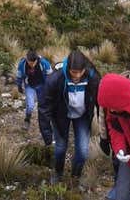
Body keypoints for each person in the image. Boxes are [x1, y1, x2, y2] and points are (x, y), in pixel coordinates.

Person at [43, 50, 101, 183]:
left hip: (82, 116)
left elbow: (100, 102)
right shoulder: (56, 78)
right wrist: (47, 133)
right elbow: (45, 106)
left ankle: (75, 175)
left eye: (80, 72)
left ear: (84, 69)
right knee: (61, 147)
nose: (77, 75)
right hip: (61, 116)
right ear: (68, 68)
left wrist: (105, 130)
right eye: (73, 72)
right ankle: (58, 172)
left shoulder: (93, 77)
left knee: (82, 150)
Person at [16, 50, 53, 144]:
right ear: (27, 59)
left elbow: (51, 76)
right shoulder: (22, 64)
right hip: (30, 86)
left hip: (42, 86)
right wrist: (19, 86)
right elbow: (19, 76)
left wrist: (50, 88)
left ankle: (44, 125)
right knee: (30, 105)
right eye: (29, 62)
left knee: (42, 106)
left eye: (33, 63)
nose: (31, 64)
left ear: (36, 60)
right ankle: (27, 119)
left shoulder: (44, 63)